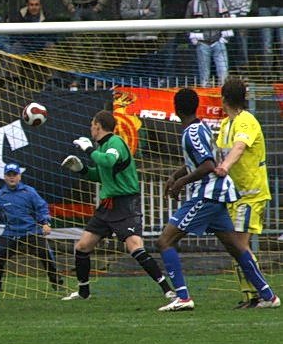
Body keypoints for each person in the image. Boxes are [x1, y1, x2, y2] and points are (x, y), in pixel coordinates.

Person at [157, 88, 279, 311]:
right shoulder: (201, 127)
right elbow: (201, 160)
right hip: (219, 194)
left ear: (175, 109)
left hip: (208, 193)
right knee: (236, 247)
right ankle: (268, 296)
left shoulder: (192, 133)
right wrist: (176, 175)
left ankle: (183, 297)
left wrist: (180, 183)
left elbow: (207, 166)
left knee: (165, 240)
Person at [59, 110, 174, 301]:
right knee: (82, 246)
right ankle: (83, 292)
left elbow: (109, 161)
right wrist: (82, 170)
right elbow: (101, 174)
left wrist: (88, 149)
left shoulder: (115, 143)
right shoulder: (103, 147)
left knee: (135, 246)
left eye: (91, 125)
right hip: (108, 204)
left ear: (97, 125)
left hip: (125, 203)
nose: (90, 129)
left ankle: (168, 290)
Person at [214, 77, 278, 309]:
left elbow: (239, 148)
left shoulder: (246, 121)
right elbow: (220, 154)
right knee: (236, 247)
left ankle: (265, 295)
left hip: (251, 194)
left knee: (239, 245)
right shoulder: (225, 125)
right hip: (235, 195)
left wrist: (224, 168)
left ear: (223, 98)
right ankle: (251, 295)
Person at [0, 163, 62, 292]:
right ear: (4, 177)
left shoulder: (29, 192)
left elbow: (42, 208)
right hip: (10, 232)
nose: (12, 177)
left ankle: (57, 284)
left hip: (31, 230)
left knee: (46, 254)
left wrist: (46, 223)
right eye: (9, 175)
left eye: (14, 175)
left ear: (20, 176)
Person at [185, 0, 232, 87]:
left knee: (223, 73)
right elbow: (187, 24)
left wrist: (224, 39)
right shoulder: (192, 4)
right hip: (202, 43)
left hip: (218, 42)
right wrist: (195, 40)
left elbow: (227, 19)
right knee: (204, 75)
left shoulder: (219, 2)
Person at [159, 0, 201, 75]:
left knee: (193, 51)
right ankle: (168, 80)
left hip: (190, 19)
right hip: (172, 19)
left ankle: (195, 79)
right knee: (170, 51)